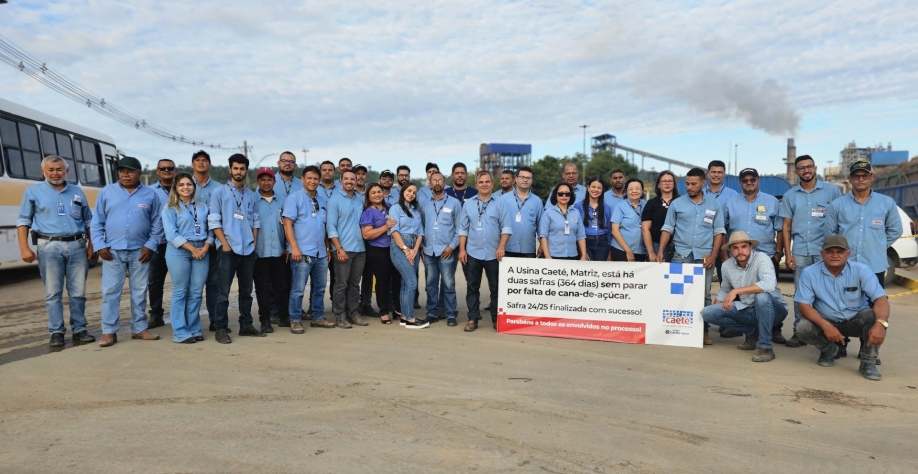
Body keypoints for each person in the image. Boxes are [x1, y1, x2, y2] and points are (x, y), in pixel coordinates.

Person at [17, 155, 95, 347]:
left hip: (77, 246)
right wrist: (24, 248)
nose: (55, 173)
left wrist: (92, 245)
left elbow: (88, 221)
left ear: (66, 171)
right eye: (50, 170)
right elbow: (23, 221)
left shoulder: (77, 191)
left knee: (78, 292)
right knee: (53, 292)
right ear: (43, 172)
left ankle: (80, 329)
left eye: (59, 169)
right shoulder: (33, 192)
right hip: (49, 247)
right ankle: (57, 332)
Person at [91, 156, 164, 347]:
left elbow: (158, 223)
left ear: (139, 173)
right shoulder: (107, 192)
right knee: (111, 292)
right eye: (122, 171)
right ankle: (109, 331)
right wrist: (99, 245)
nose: (125, 174)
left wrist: (151, 245)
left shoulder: (150, 195)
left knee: (139, 291)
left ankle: (139, 328)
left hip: (140, 252)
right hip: (112, 251)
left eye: (130, 171)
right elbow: (97, 221)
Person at [794, 235, 889, 381]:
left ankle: (868, 362)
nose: (834, 255)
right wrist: (825, 325)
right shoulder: (809, 273)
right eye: (830, 251)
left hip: (855, 321)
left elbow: (881, 299)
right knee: (802, 328)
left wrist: (881, 323)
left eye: (840, 251)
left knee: (875, 317)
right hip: (827, 321)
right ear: (822, 254)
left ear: (848, 254)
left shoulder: (861, 270)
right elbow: (803, 305)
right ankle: (829, 350)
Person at [779, 155, 842, 348]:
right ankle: (800, 333)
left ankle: (831, 332)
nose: (806, 171)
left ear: (815, 168)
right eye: (801, 168)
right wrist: (788, 254)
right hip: (800, 252)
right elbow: (786, 226)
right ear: (796, 171)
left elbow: (841, 220)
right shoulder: (791, 195)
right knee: (801, 294)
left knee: (830, 292)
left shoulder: (832, 191)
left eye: (809, 167)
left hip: (826, 252)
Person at [658, 167, 726, 346]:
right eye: (687, 183)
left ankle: (703, 332)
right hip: (681, 255)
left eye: (694, 184)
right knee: (676, 293)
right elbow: (668, 228)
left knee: (704, 295)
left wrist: (713, 255)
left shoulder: (714, 204)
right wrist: (660, 251)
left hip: (704, 258)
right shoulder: (677, 203)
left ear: (703, 183)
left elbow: (719, 232)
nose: (689, 187)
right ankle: (675, 330)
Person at [700, 232, 788, 362]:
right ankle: (752, 331)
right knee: (707, 313)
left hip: (774, 310)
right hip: (747, 308)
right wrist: (716, 309)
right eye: (735, 248)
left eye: (743, 246)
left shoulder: (762, 258)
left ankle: (766, 347)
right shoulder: (726, 266)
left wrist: (736, 291)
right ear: (730, 250)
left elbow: (768, 284)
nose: (740, 251)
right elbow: (724, 290)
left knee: (761, 297)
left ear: (750, 247)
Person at [721, 168, 785, 343]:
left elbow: (779, 229)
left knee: (769, 294)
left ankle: (774, 329)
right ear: (740, 182)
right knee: (742, 297)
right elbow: (722, 230)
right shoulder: (730, 202)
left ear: (758, 180)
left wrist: (778, 254)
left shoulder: (772, 201)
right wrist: (725, 256)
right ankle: (747, 330)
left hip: (766, 256)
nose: (749, 183)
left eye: (752, 179)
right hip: (738, 257)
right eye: (745, 180)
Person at [208, 154, 262, 344]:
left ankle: (246, 325)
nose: (239, 172)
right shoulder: (219, 193)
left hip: (247, 249)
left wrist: (254, 240)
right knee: (223, 292)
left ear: (246, 171)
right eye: (235, 168)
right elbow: (214, 220)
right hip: (228, 249)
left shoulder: (251, 195)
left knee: (246, 291)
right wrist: (224, 243)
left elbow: (255, 219)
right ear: (230, 169)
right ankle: (221, 328)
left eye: (242, 168)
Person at [826, 161, 901, 287]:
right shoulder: (837, 204)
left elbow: (896, 229)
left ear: (872, 177)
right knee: (844, 304)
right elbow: (830, 233)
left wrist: (879, 245)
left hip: (875, 266)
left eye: (865, 176)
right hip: (845, 266)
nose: (860, 179)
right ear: (850, 179)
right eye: (856, 176)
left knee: (874, 304)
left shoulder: (886, 203)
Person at [161, 173, 213, 344]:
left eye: (189, 184)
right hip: (179, 251)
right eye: (181, 184)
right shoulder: (170, 209)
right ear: (176, 188)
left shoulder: (203, 207)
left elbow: (211, 230)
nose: (185, 187)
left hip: (202, 250)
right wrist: (192, 249)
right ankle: (180, 331)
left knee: (197, 292)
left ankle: (194, 328)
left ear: (193, 187)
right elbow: (171, 234)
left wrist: (205, 247)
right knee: (180, 291)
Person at [459, 171, 512, 332]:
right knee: (472, 287)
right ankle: (472, 319)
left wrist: (501, 247)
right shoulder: (468, 204)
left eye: (487, 182)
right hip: (473, 252)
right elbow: (463, 228)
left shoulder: (500, 203)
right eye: (481, 182)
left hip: (494, 254)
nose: (484, 184)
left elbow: (507, 227)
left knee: (496, 288)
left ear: (492, 184)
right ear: (476, 185)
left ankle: (497, 320)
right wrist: (462, 249)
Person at [283, 165, 334, 333]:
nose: (312, 181)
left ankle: (317, 317)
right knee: (298, 289)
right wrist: (294, 248)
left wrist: (327, 247)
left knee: (319, 288)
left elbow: (325, 226)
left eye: (315, 179)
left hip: (320, 252)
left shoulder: (323, 200)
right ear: (303, 179)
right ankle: (295, 320)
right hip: (302, 252)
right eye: (309, 178)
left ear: (319, 181)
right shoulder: (294, 198)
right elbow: (287, 223)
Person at [327, 170, 368, 328]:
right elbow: (331, 227)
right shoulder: (335, 200)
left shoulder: (360, 200)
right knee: (341, 284)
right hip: (344, 249)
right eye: (346, 179)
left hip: (360, 249)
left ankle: (353, 313)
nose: (350, 181)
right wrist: (339, 248)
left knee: (354, 284)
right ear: (341, 180)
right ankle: (340, 315)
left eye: (353, 179)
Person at [420, 172, 462, 326]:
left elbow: (460, 228)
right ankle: (432, 313)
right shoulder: (424, 204)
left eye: (440, 180)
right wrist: (421, 248)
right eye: (434, 181)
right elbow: (421, 227)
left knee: (448, 284)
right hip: (429, 250)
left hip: (447, 251)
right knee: (430, 284)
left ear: (445, 184)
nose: (437, 183)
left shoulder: (454, 203)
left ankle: (450, 314)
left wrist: (452, 246)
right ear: (430, 184)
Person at [253, 168, 290, 334]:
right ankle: (265, 320)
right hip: (259, 253)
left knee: (281, 286)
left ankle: (284, 317)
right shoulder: (252, 200)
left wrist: (289, 246)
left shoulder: (283, 201)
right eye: (263, 179)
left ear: (274, 182)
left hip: (279, 252)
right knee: (262, 289)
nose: (266, 182)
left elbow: (289, 225)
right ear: (258, 181)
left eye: (269, 179)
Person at [388, 183, 429, 329]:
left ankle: (405, 317)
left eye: (414, 192)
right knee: (412, 282)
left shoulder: (416, 211)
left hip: (414, 246)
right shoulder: (395, 208)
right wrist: (406, 249)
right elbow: (394, 231)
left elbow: (421, 233)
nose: (411, 194)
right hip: (400, 246)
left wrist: (415, 250)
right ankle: (411, 318)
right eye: (409, 191)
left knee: (406, 283)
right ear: (403, 191)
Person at [191, 150, 223, 332]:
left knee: (214, 283)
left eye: (204, 160)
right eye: (198, 160)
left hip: (214, 242)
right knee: (193, 285)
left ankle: (214, 318)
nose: (201, 163)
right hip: (192, 244)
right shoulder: (185, 185)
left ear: (209, 165)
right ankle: (191, 321)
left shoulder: (219, 188)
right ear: (193, 164)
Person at [360, 183, 396, 322]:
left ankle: (394, 308)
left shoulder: (390, 208)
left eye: (379, 191)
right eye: (373, 192)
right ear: (368, 196)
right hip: (377, 251)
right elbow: (367, 234)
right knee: (382, 281)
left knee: (392, 281)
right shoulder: (369, 211)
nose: (377, 194)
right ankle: (384, 311)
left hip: (392, 248)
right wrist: (385, 227)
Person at [147, 158, 176, 329]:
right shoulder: (149, 192)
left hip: (179, 243)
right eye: (163, 168)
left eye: (170, 168)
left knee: (181, 281)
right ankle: (156, 315)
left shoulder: (183, 188)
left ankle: (182, 314)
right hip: (157, 243)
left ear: (175, 170)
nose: (166, 171)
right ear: (157, 171)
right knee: (155, 281)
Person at [501, 166, 542, 258]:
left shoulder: (537, 201)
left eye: (528, 178)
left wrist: (542, 245)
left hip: (528, 250)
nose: (525, 180)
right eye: (522, 177)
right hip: (507, 249)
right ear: (516, 179)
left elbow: (541, 226)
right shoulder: (503, 199)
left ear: (531, 181)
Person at [540, 182, 588, 261]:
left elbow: (581, 235)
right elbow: (544, 236)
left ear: (571, 195)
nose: (564, 196)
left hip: (573, 255)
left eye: (567, 194)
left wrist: (583, 255)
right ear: (556, 195)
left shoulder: (576, 212)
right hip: (553, 256)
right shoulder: (548, 213)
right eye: (560, 194)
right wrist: (547, 256)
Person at [642, 171, 679, 263]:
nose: (667, 183)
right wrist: (651, 252)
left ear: (674, 184)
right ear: (658, 185)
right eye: (664, 181)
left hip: (679, 247)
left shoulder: (682, 202)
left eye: (670, 181)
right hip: (657, 246)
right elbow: (645, 229)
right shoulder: (651, 203)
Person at [610, 178, 648, 262]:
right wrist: (628, 250)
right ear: (626, 191)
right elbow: (614, 230)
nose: (634, 191)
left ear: (642, 190)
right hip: (621, 250)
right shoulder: (620, 206)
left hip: (641, 250)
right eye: (631, 189)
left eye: (637, 188)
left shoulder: (646, 205)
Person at [575, 177, 612, 261]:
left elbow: (609, 230)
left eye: (599, 188)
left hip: (602, 243)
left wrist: (609, 250)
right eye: (593, 187)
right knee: (587, 271)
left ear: (602, 190)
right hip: (585, 242)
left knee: (599, 271)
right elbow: (576, 228)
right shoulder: (578, 206)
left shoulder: (607, 208)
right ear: (588, 188)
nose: (596, 190)